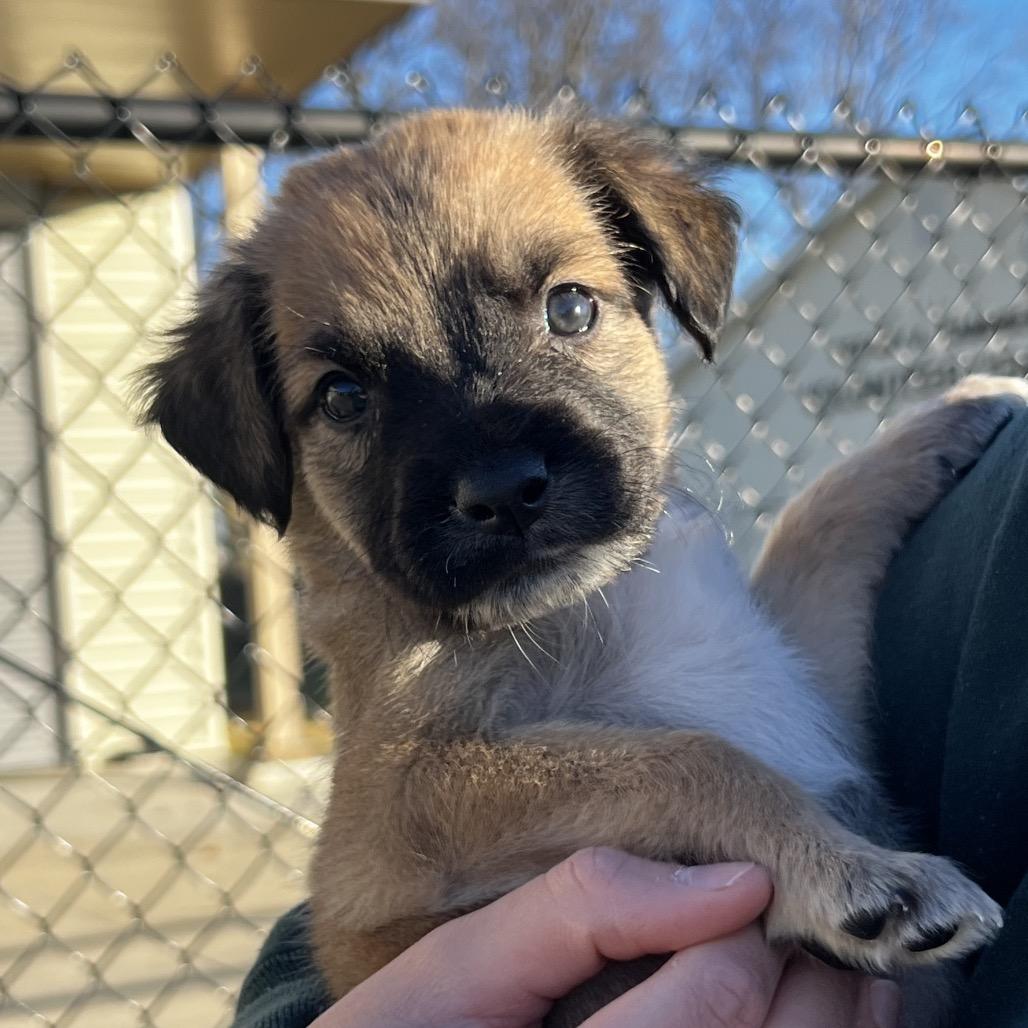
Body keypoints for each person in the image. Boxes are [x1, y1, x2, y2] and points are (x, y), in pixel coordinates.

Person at [233, 409, 1028, 1028]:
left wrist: (832, 531)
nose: (498, 466)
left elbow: (791, 724)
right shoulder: (414, 631)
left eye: (568, 311)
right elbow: (413, 807)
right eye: (346, 398)